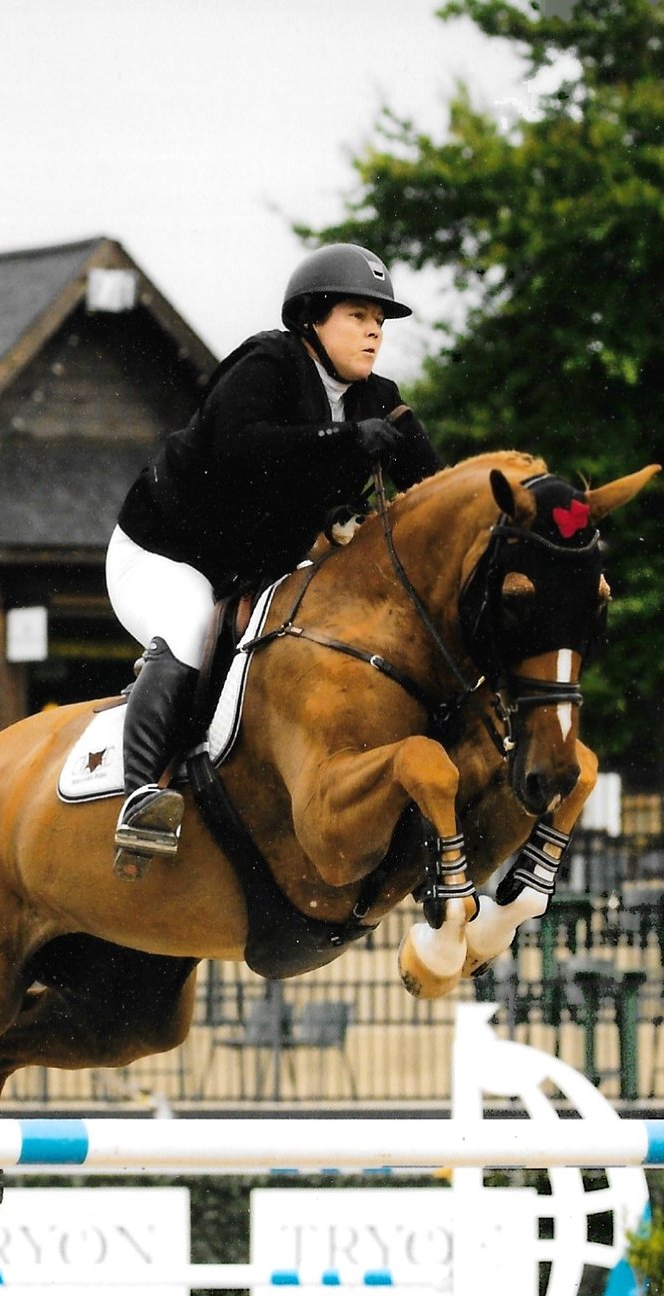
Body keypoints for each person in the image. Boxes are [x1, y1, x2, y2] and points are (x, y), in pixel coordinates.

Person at [105, 243, 444, 860]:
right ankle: (139, 798)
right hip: (165, 555)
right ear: (313, 319)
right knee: (187, 628)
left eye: (379, 323)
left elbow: (435, 490)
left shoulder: (378, 398)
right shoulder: (268, 364)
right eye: (357, 317)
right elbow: (238, 449)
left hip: (255, 570)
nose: (373, 334)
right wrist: (342, 439)